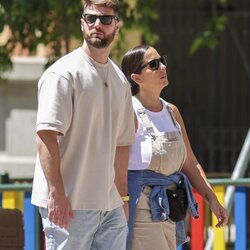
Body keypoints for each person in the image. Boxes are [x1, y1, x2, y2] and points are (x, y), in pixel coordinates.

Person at [31, 0, 135, 249]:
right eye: (91, 18)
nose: (97, 25)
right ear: (82, 24)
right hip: (69, 205)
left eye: (106, 19)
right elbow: (46, 136)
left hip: (109, 207)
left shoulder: (120, 81)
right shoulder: (63, 74)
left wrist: (122, 198)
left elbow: (122, 144)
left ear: (117, 27)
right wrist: (56, 194)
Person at [121, 45, 228, 250]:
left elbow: (189, 162)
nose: (162, 66)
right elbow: (115, 162)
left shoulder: (172, 111)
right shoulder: (129, 112)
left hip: (170, 206)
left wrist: (212, 200)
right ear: (136, 78)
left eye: (162, 60)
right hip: (140, 207)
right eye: (153, 64)